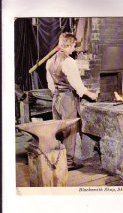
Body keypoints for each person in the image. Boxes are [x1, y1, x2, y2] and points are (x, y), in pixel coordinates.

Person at [46, 32, 99, 170]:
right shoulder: (69, 62)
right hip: (67, 99)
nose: (74, 49)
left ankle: (57, 158)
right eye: (74, 45)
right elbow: (77, 85)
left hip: (56, 98)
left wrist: (58, 95)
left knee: (58, 129)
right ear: (68, 45)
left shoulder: (50, 61)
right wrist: (90, 94)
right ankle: (68, 162)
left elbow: (50, 85)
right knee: (70, 129)